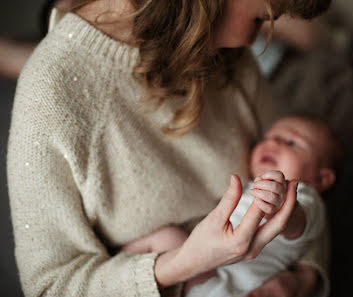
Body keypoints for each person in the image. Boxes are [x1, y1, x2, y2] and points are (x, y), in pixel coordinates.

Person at [7, 1, 331, 297]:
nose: (251, 41)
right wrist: (181, 264)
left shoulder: (222, 48)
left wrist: (301, 278)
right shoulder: (49, 95)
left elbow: (302, 184)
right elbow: (51, 286)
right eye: (261, 18)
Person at [123, 116, 341, 297]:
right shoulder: (248, 186)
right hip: (206, 277)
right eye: (267, 137)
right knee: (167, 236)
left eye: (291, 142)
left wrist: (283, 207)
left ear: (321, 179)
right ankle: (119, 265)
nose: (271, 143)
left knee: (167, 237)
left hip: (244, 288)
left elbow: (301, 225)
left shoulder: (305, 196)